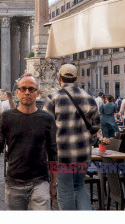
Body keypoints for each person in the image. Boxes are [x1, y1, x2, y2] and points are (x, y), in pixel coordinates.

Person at [0, 74, 57, 210]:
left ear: (37, 93)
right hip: (14, 182)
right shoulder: (6, 117)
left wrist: (53, 183)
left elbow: (53, 152)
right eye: (23, 89)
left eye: (31, 89)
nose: (27, 92)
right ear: (17, 92)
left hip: (40, 182)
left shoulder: (47, 118)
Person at [43, 64, 100, 210]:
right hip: (83, 154)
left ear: (59, 78)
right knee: (79, 186)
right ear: (76, 78)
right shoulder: (89, 98)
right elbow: (95, 128)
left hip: (61, 155)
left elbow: (45, 129)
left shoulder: (52, 98)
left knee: (65, 191)